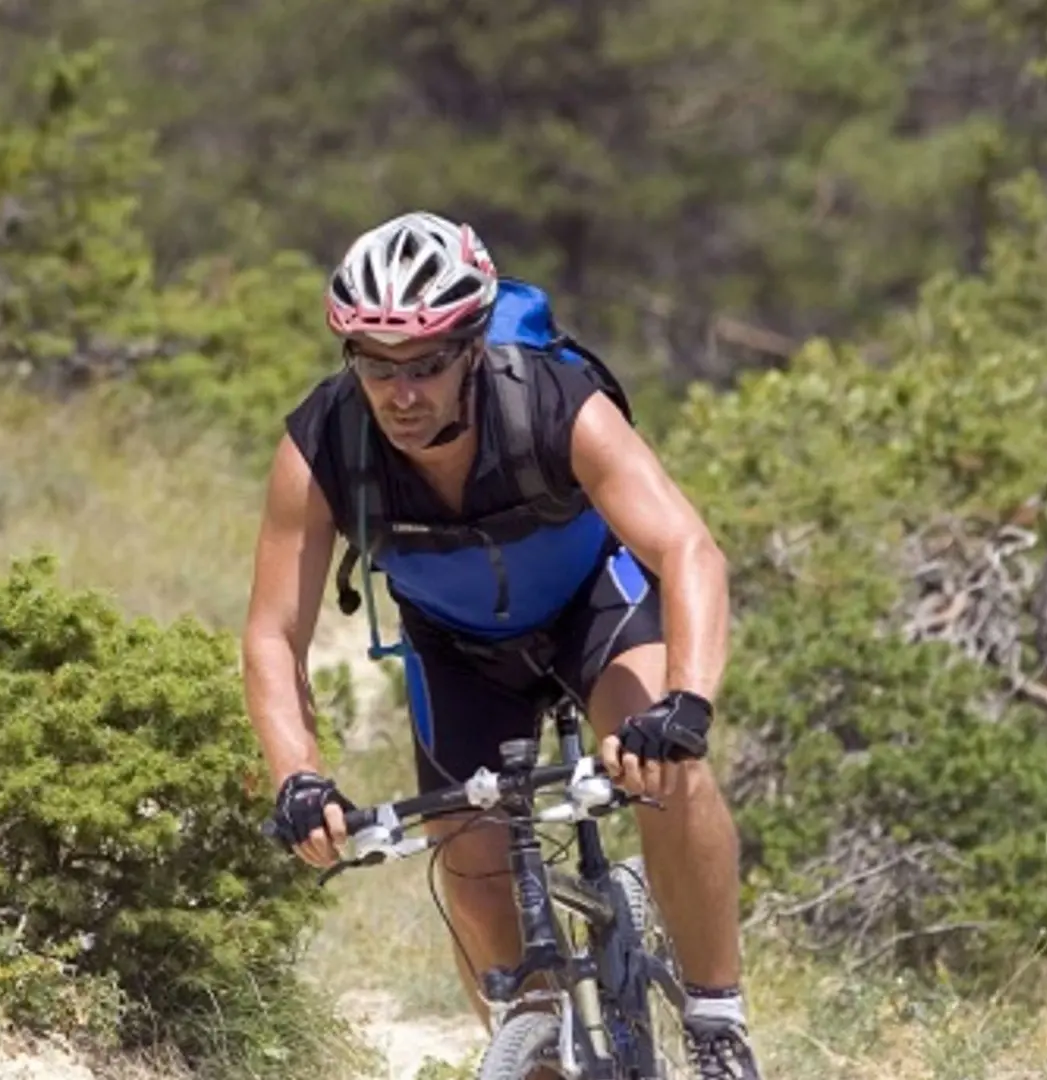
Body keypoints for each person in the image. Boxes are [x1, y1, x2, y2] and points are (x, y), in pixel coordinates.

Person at [240, 210, 762, 1080]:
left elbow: (686, 549)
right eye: (376, 365)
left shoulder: (554, 402)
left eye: (427, 365)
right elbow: (273, 631)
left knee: (670, 777)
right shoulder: (324, 443)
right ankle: (531, 1034)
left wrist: (688, 702)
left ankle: (717, 1026)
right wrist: (297, 774)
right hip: (455, 648)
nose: (402, 393)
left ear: (473, 345)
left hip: (592, 611)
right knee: (467, 850)